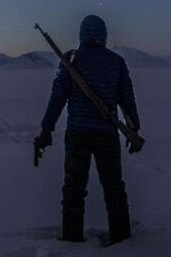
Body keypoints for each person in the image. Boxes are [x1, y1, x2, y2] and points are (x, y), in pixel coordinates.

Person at [35, 14, 142, 245]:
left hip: (78, 134)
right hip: (107, 135)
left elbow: (57, 99)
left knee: (74, 189)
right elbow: (127, 98)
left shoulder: (72, 60)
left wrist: (46, 129)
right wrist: (134, 128)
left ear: (81, 34)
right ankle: (121, 236)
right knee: (114, 188)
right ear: (103, 35)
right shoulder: (116, 62)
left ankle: (72, 236)